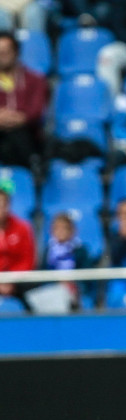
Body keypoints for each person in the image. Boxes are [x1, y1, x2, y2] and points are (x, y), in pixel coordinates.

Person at [0, 32, 47, 168]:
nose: (1, 56)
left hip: (26, 135)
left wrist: (10, 118)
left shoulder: (35, 80)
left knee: (16, 136)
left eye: (6, 52)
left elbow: (35, 112)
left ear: (16, 52)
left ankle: (28, 177)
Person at [0, 184, 35, 298]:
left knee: (35, 286)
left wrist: (11, 280)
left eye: (3, 204)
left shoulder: (23, 228)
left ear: (8, 205)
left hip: (18, 281)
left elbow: (27, 260)